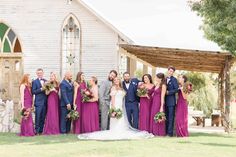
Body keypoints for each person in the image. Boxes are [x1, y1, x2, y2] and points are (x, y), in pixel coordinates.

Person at [78, 77, 153, 140]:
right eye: (115, 80)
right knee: (115, 118)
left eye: (117, 80)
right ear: (113, 82)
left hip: (120, 105)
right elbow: (112, 98)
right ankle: (115, 131)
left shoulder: (121, 88)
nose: (116, 81)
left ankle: (121, 130)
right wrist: (113, 108)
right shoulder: (113, 87)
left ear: (120, 81)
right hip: (115, 105)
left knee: (121, 119)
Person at [32, 68, 47, 135]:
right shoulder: (34, 82)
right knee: (37, 117)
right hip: (38, 103)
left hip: (45, 102)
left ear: (43, 73)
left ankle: (41, 131)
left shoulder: (46, 81)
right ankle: (37, 131)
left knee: (43, 117)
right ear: (36, 74)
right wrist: (41, 89)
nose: (39, 74)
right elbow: (33, 91)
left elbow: (48, 91)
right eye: (38, 73)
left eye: (40, 73)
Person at [165, 66, 179, 136]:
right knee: (165, 117)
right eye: (169, 71)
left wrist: (169, 92)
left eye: (172, 71)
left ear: (173, 72)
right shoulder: (164, 79)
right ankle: (165, 131)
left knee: (170, 117)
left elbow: (177, 89)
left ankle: (170, 133)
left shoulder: (174, 80)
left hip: (171, 101)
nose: (170, 72)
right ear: (167, 71)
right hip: (164, 101)